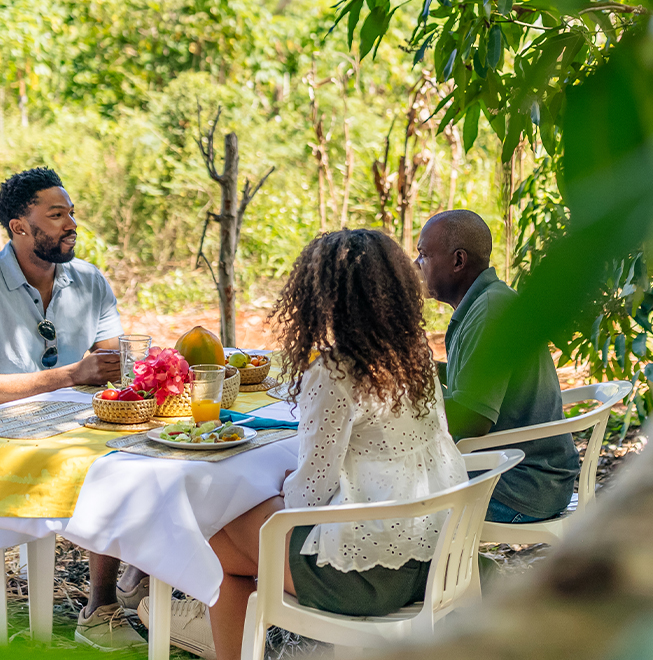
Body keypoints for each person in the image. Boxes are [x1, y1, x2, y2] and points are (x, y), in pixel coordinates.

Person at [137, 229, 468, 660]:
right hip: (435, 556)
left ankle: (202, 626)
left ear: (319, 297)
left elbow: (307, 496)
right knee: (232, 532)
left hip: (366, 577)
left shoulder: (335, 371)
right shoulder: (415, 354)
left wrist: (284, 487)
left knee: (213, 535)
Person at [0, 167, 149, 650]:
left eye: (71, 212)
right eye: (56, 215)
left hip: (83, 426)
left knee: (152, 454)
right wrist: (73, 375)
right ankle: (111, 601)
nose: (70, 223)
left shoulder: (90, 280)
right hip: (8, 436)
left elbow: (114, 367)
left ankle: (133, 583)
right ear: (19, 226)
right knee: (113, 464)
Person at [414, 209, 580, 524]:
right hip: (524, 474)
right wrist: (416, 369)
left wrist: (395, 407)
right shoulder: (486, 301)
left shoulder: (490, 311)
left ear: (458, 261)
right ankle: (462, 572)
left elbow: (471, 418)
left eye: (423, 255)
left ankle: (456, 573)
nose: (416, 265)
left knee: (393, 492)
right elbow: (477, 384)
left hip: (523, 485)